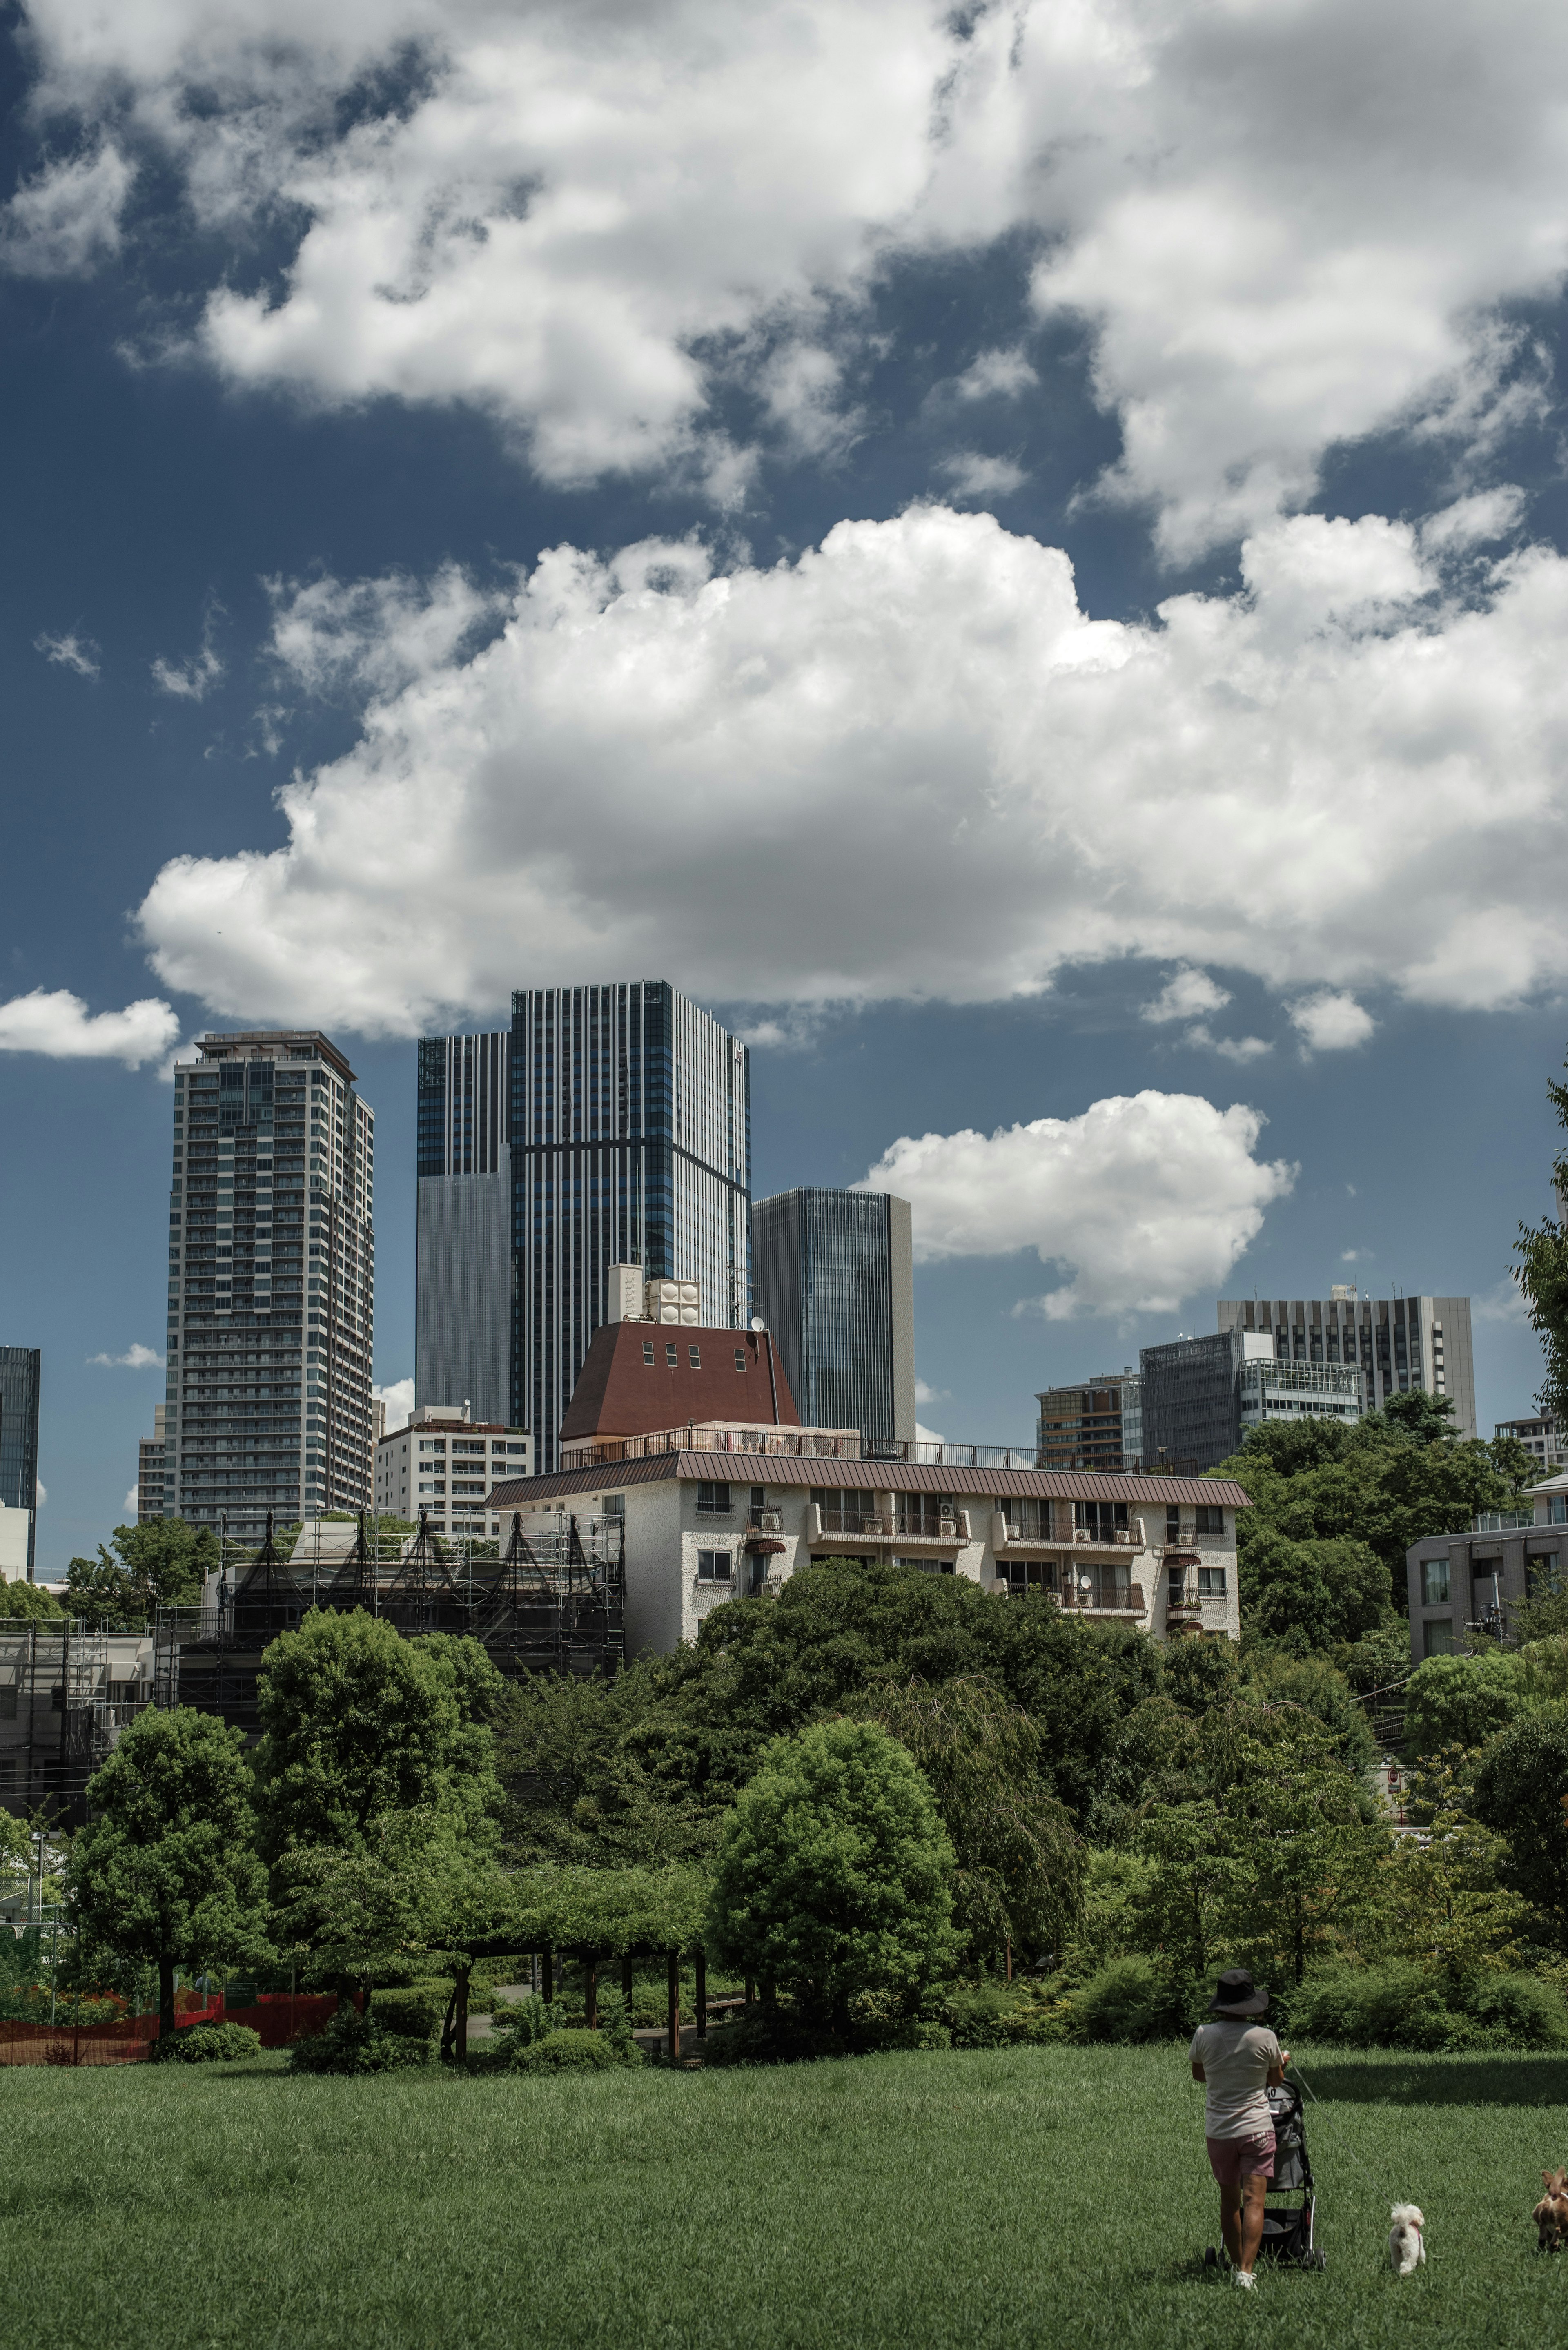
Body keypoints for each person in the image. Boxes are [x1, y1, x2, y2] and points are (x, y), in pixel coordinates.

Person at [1189, 1967, 1290, 2288]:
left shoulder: (1204, 2034)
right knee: (1255, 2202)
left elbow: (1200, 2075)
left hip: (1219, 2131)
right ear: (1251, 2005)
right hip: (1258, 2130)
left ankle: (1235, 2264)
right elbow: (1275, 2082)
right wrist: (1280, 2065)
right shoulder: (1266, 2037)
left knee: (1229, 2202)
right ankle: (1245, 2274)